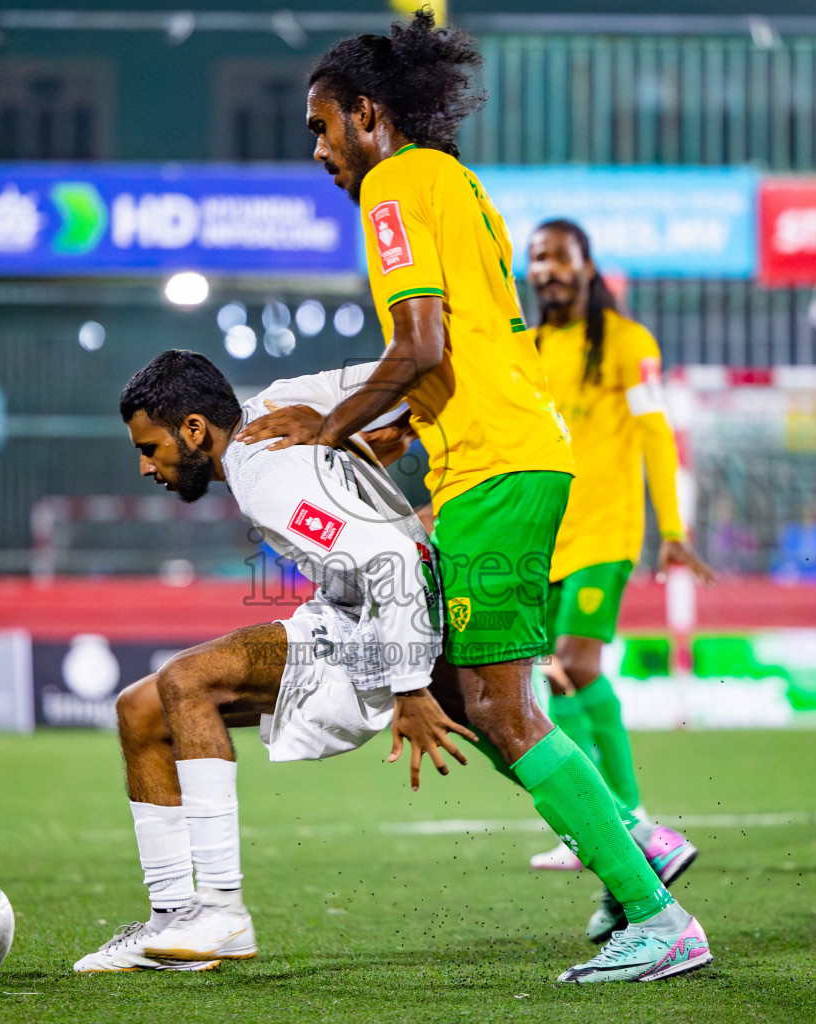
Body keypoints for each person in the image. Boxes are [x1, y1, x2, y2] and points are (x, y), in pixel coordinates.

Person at [237, 8, 710, 983]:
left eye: (323, 128)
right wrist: (392, 428)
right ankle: (632, 842)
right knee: (465, 691)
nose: (319, 151)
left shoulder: (397, 186)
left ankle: (657, 908)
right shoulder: (455, 182)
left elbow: (419, 346)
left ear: (368, 114)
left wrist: (325, 434)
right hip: (497, 459)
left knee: (501, 708)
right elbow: (466, 347)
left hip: (500, 468)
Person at [73, 350, 456, 972]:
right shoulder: (279, 401)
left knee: (187, 682)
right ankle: (173, 922)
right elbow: (398, 370)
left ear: (194, 430)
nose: (146, 466)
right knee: (140, 710)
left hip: (384, 624)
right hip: (350, 610)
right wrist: (392, 425)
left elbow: (392, 561)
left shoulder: (266, 478)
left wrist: (411, 687)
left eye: (149, 448)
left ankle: (223, 912)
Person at [523, 219, 715, 940]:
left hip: (604, 535)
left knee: (570, 668)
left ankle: (626, 819)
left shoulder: (629, 346)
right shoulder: (530, 350)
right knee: (548, 680)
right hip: (540, 540)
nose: (548, 270)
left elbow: (655, 434)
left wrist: (673, 530)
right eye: (538, 260)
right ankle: (628, 832)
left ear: (587, 266)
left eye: (560, 258)